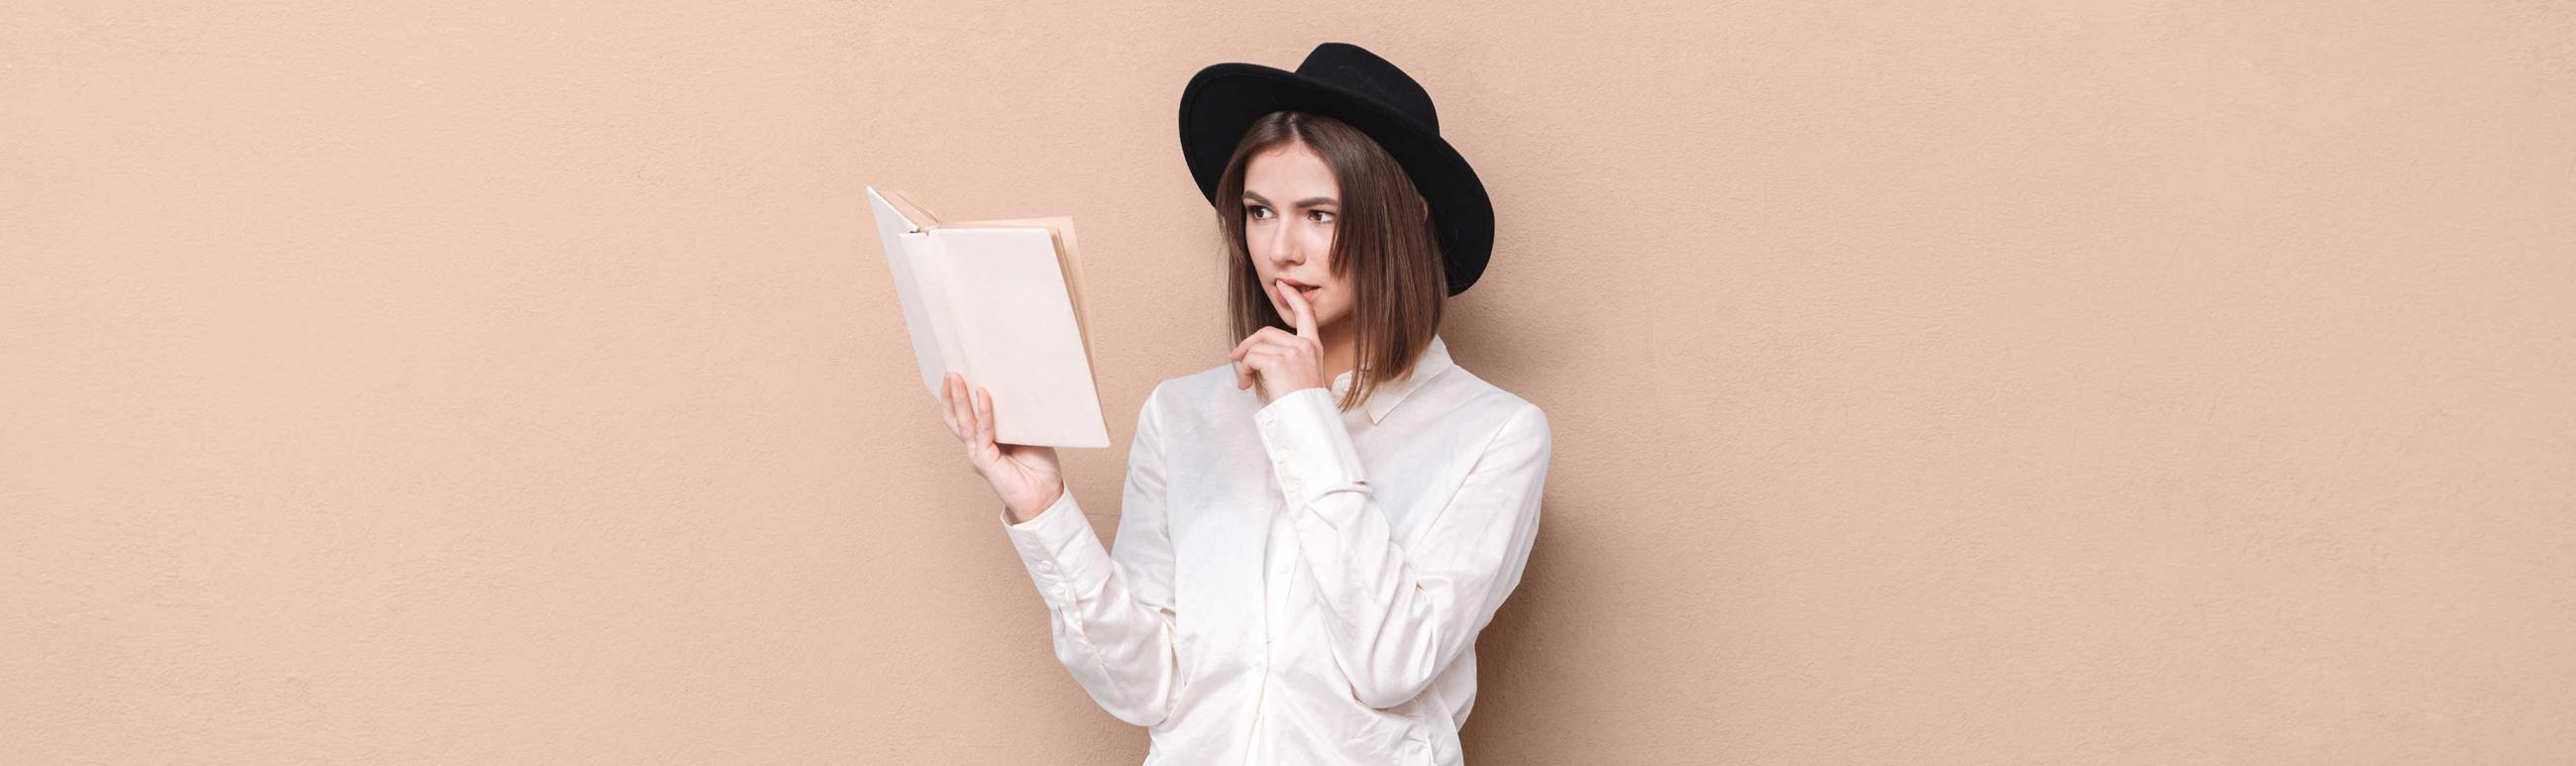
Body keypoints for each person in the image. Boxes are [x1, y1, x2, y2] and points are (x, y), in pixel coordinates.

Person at [935, 42, 1551, 765]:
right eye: (1260, 211)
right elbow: (1148, 688)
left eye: (1319, 214)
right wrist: (1046, 512)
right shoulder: (1183, 414)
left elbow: (1391, 661)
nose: (1281, 248)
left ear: (1408, 215)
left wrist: (1304, 416)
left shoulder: (1496, 434)